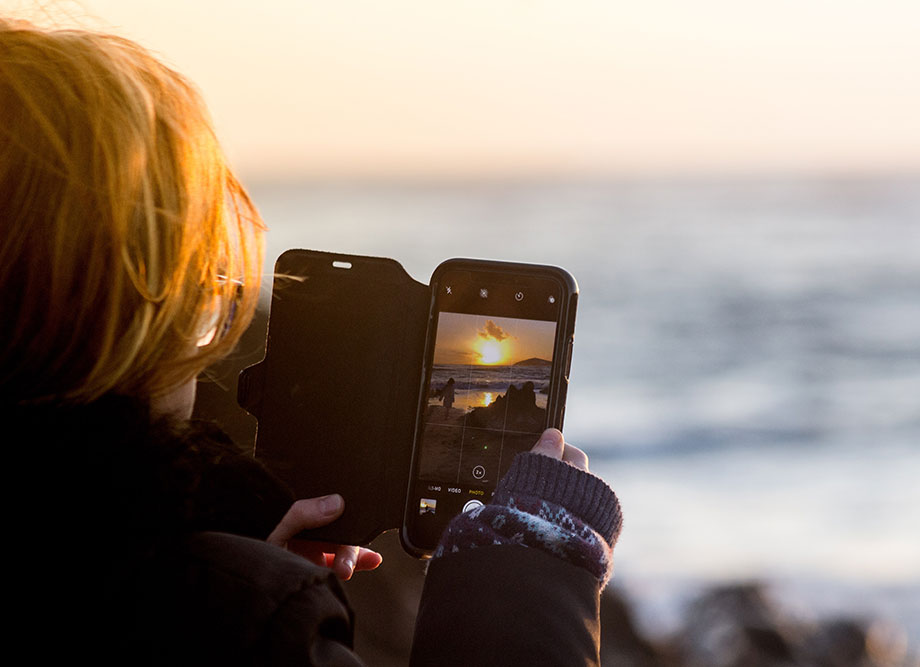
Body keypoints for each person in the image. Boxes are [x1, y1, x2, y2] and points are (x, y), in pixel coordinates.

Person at [1, 18, 622, 666]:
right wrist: (527, 573)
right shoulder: (221, 615)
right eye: (205, 290)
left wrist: (247, 570)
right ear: (128, 317)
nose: (214, 344)